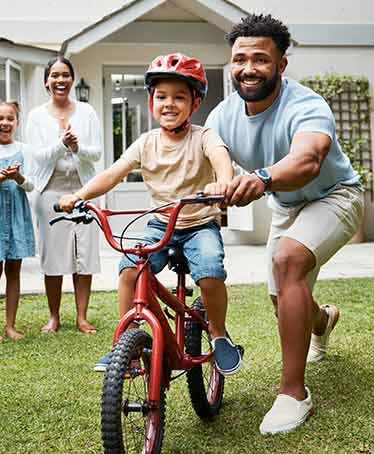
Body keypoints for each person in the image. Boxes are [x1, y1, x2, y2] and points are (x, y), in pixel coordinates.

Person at [208, 14, 366, 434]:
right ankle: (323, 319)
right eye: (240, 59)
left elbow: (308, 161)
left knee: (287, 260)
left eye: (261, 59)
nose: (248, 68)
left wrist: (259, 178)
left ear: (282, 64)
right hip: (287, 205)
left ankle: (294, 394)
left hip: (335, 196)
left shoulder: (306, 105)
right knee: (282, 303)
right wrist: (222, 181)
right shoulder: (225, 113)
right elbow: (214, 151)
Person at [57, 53, 244, 375]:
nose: (169, 104)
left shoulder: (204, 136)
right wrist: (79, 195)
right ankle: (126, 343)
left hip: (199, 224)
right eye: (161, 97)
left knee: (210, 268)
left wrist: (223, 183)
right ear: (150, 101)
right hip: (162, 223)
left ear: (195, 103)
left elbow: (220, 156)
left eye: (179, 97)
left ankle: (218, 332)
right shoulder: (146, 143)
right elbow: (113, 173)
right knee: (130, 267)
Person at [25, 56, 103, 335]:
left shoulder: (87, 111)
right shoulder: (36, 116)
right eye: (55, 75)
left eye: (65, 75)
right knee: (53, 257)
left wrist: (77, 147)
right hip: (50, 193)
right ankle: (54, 317)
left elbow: (96, 153)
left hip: (84, 191)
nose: (60, 80)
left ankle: (82, 317)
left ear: (72, 79)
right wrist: (61, 145)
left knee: (84, 255)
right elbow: (36, 156)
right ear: (47, 81)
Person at [0, 99, 36, 341]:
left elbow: (32, 185)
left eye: (10, 118)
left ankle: (10, 326)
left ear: (17, 122)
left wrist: (18, 176)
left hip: (17, 217)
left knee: (14, 270)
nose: (5, 122)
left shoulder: (24, 150)